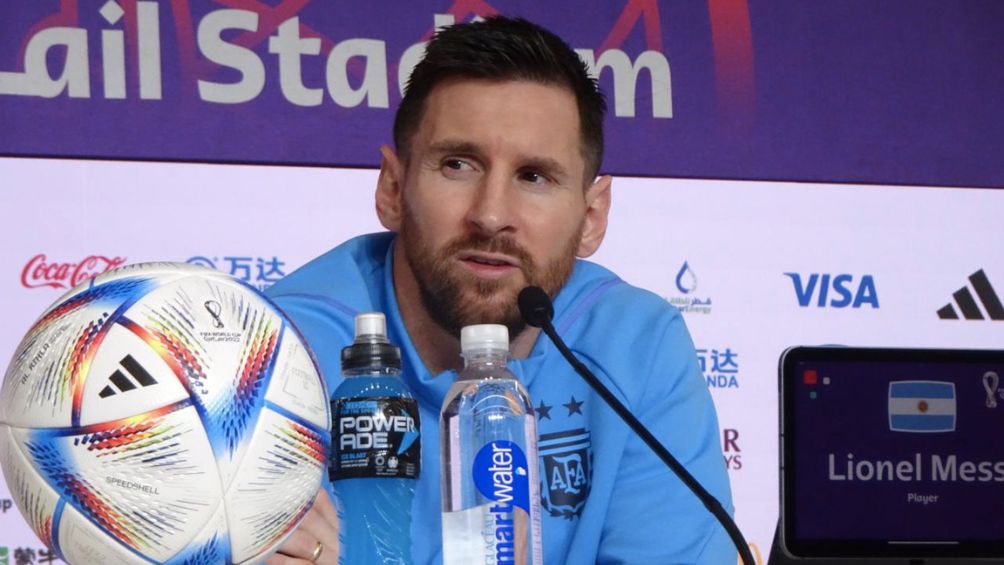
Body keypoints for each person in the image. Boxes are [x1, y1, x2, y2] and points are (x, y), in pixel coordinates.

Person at [265, 15, 734, 565]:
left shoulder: (638, 347)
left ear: (592, 217)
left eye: (534, 176)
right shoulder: (277, 351)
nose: (490, 215)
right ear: (392, 188)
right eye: (458, 165)